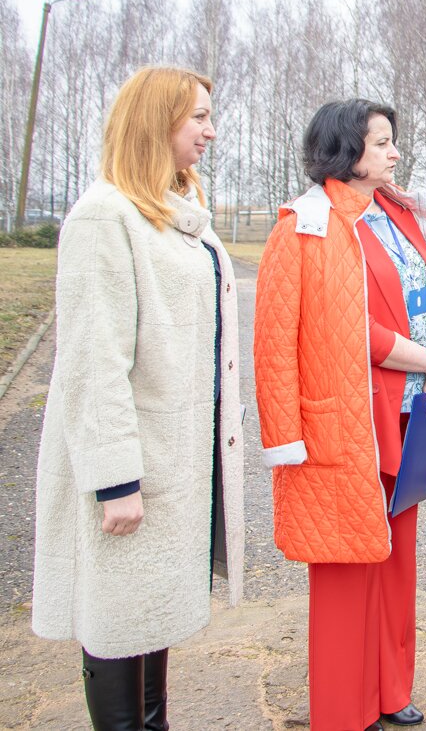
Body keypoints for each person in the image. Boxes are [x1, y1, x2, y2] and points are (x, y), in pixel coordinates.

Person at [254, 99, 426, 731]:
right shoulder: (304, 224)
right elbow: (316, 335)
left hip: (409, 414)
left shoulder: (396, 214)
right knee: (344, 572)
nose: (394, 153)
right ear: (346, 151)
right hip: (345, 421)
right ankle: (344, 711)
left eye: (392, 142)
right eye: (382, 143)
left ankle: (390, 689)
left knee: (397, 558)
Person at [32, 66, 245, 731]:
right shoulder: (104, 214)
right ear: (157, 120)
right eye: (199, 117)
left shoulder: (173, 214)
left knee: (150, 614)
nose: (211, 130)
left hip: (174, 462)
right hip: (132, 468)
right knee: (118, 618)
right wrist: (114, 478)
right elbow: (94, 361)